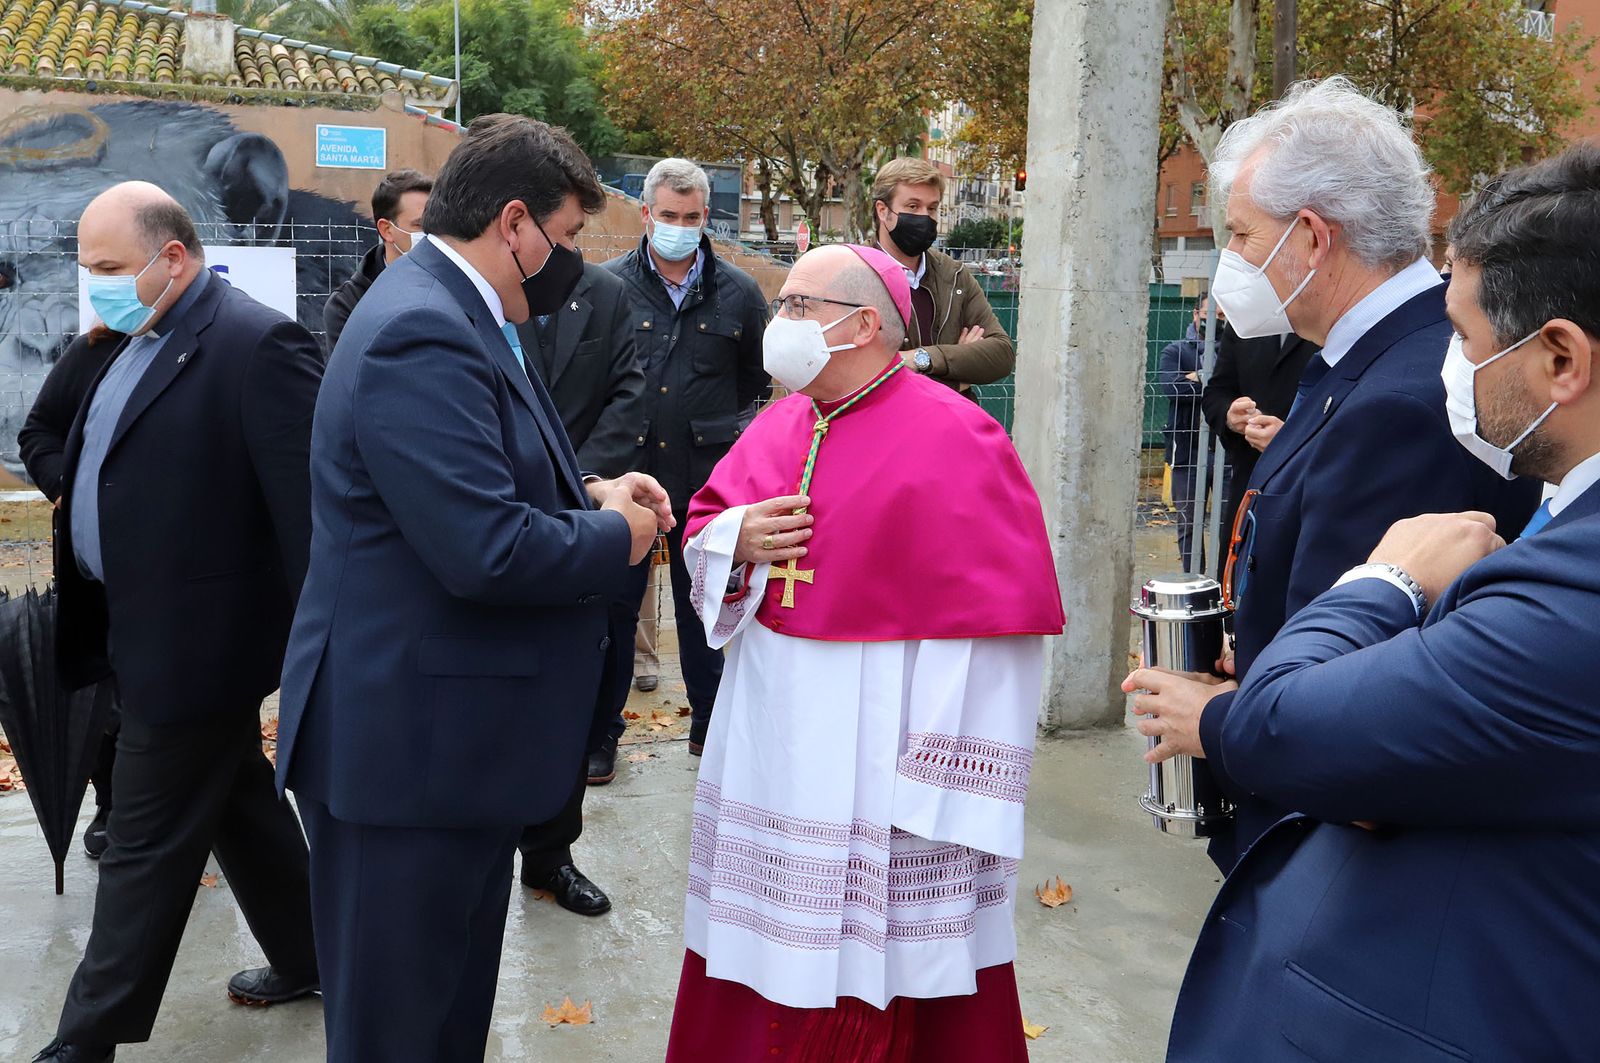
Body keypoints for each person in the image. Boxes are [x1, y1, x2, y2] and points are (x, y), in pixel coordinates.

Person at [1129, 141, 1600, 1062]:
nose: (1450, 362)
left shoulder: (1570, 589)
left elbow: (1305, 724)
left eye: (1464, 338)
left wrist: (1386, 579)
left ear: (1560, 360)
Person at [275, 116, 667, 1063]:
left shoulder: (460, 311)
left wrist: (594, 491)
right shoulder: (422, 327)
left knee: (442, 1020)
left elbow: (492, 477)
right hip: (404, 756)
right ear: (517, 223)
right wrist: (622, 534)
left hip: (448, 749)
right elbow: (482, 547)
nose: (574, 262)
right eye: (570, 238)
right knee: (396, 1033)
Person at [664, 243, 1064, 1061]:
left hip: (885, 748)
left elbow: (1000, 625)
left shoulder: (961, 435)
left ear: (865, 323)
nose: (781, 324)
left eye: (801, 306)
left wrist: (945, 778)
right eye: (782, 306)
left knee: (888, 957)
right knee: (770, 944)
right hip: (774, 741)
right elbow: (705, 530)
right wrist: (739, 537)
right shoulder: (783, 420)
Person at [1186, 77, 1539, 872]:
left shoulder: (1401, 397)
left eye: (1241, 234)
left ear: (1312, 237)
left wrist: (1215, 714)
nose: (1232, 260)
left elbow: (1358, 686)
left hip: (1331, 853)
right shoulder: (1372, 359)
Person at [35, 182, 323, 1063]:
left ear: (173, 256)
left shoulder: (255, 343)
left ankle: (81, 1043)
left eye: (111, 267)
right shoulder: (132, 336)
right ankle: (317, 950)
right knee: (237, 800)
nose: (97, 286)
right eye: (88, 268)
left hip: (198, 647)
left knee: (141, 850)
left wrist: (321, 660)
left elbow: (308, 522)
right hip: (133, 627)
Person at [604, 157, 769, 754]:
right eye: (668, 215)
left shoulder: (740, 293)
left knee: (704, 606)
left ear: (706, 218)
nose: (679, 225)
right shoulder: (606, 287)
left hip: (704, 479)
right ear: (647, 214)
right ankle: (603, 732)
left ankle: (710, 727)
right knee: (615, 608)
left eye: (692, 216)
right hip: (628, 477)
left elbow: (753, 378)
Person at [512, 254, 647, 916]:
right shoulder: (452, 300)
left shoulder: (606, 294)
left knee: (567, 692)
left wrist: (582, 487)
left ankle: (550, 854)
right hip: (493, 512)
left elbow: (631, 391)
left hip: (581, 513)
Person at [17, 322, 124, 859]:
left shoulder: (218, 349)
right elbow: (38, 433)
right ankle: (112, 804)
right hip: (95, 569)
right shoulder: (93, 351)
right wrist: (69, 487)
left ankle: (212, 811)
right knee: (102, 689)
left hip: (186, 573)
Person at [870, 157, 1015, 389]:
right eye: (913, 206)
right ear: (883, 211)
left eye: (932, 208)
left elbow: (1002, 354)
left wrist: (922, 358)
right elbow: (861, 375)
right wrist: (958, 377)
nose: (925, 217)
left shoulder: (955, 274)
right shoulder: (858, 274)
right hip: (889, 424)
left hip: (954, 423)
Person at [1199, 324, 1320, 542]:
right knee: (1237, 571)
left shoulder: (1333, 324)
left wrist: (1290, 440)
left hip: (1310, 496)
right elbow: (1216, 392)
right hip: (1248, 488)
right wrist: (1229, 414)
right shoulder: (1245, 322)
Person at [323, 168, 432, 353]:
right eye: (419, 225)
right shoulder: (348, 303)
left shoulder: (454, 286)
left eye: (435, 224)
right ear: (386, 230)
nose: (430, 234)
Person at [1158, 297, 1220, 571]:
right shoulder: (1176, 350)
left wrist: (1196, 377)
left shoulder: (1237, 350)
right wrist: (1215, 383)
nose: (1214, 320)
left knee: (1226, 524)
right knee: (1188, 525)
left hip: (1227, 453)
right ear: (1196, 314)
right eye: (1209, 314)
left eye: (1221, 316)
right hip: (1187, 451)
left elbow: (1241, 390)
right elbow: (1172, 389)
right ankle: (1193, 584)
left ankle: (1223, 590)